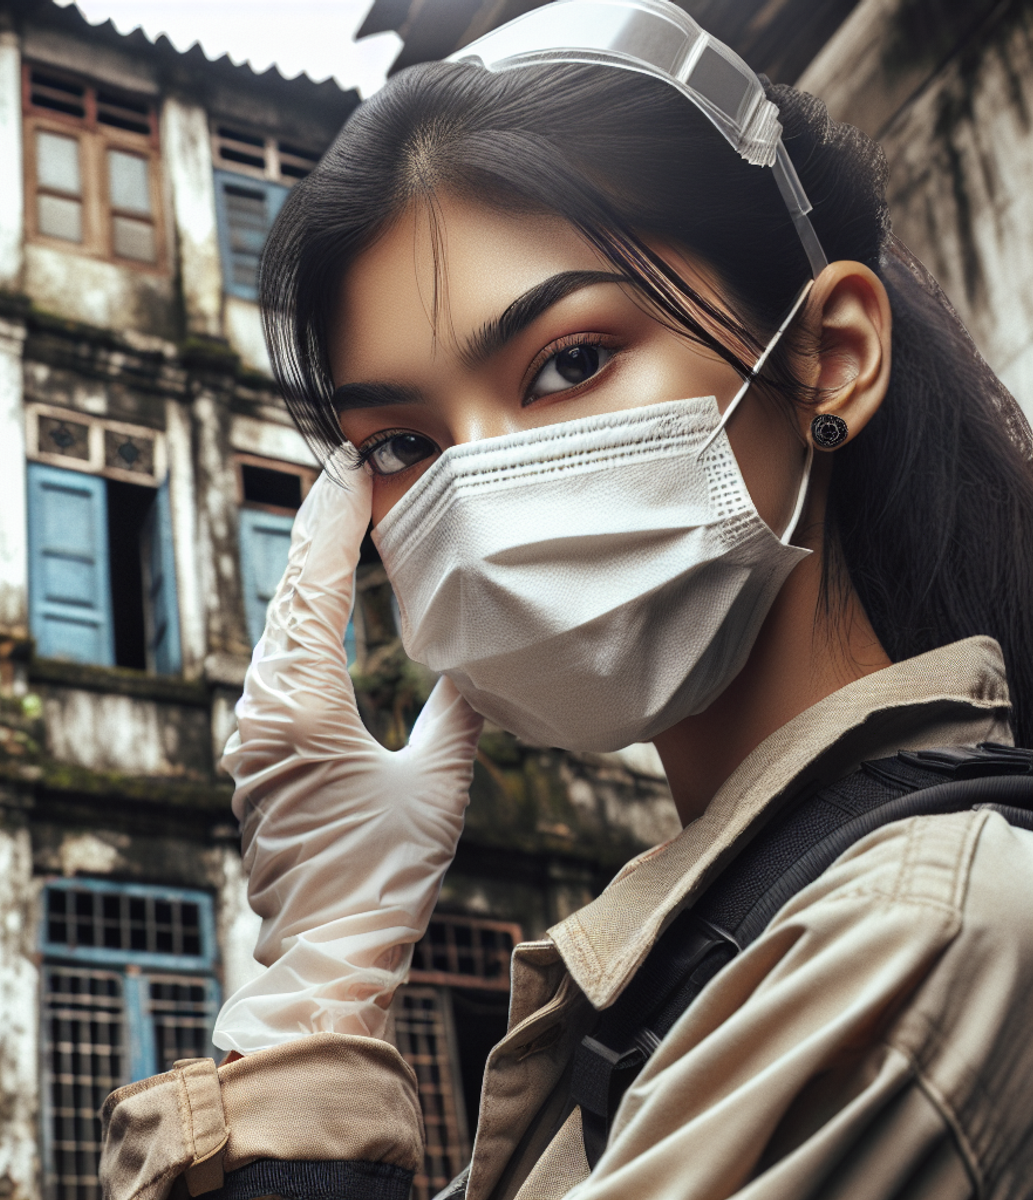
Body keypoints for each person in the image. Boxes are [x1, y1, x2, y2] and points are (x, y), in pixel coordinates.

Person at [98, 3, 1033, 1198]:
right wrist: (324, 964)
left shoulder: (912, 950)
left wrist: (303, 1026)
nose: (479, 500)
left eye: (571, 362)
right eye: (400, 446)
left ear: (827, 355)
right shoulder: (702, 952)